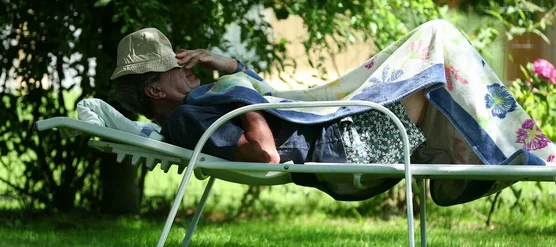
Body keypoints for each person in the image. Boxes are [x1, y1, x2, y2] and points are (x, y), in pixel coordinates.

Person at [109, 27, 429, 166]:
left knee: (431, 51)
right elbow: (265, 154)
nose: (190, 67)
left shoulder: (203, 103)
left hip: (344, 130)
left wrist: (231, 67)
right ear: (155, 90)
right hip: (347, 143)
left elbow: (267, 96)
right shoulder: (186, 120)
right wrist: (237, 96)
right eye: (175, 66)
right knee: (433, 46)